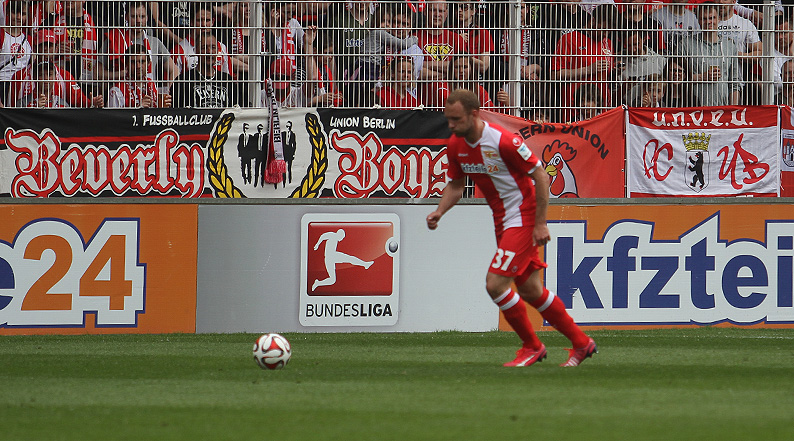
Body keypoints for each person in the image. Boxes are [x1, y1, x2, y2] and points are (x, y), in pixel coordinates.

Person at [426, 89, 597, 368]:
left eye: (456, 119)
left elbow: (541, 175)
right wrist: (439, 211)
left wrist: (540, 223)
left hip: (522, 216)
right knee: (530, 290)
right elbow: (456, 185)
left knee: (495, 284)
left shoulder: (503, 140)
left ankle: (532, 346)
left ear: (474, 114)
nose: (451, 125)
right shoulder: (455, 145)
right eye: (448, 119)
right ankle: (581, 342)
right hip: (502, 220)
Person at [96, 1, 178, 97]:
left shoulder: (155, 42)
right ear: (126, 17)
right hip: (122, 100)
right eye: (134, 16)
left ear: (147, 18)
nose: (138, 20)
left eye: (142, 16)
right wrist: (120, 74)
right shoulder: (115, 39)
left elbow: (174, 70)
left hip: (150, 100)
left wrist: (165, 92)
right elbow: (97, 73)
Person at [552, 4, 617, 122]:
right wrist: (587, 70)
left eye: (609, 31)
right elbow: (555, 75)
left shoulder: (608, 43)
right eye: (603, 29)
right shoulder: (569, 39)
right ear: (593, 21)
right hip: (574, 111)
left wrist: (615, 71)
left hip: (601, 112)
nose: (605, 34)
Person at [7, 28, 103, 107]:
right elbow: (10, 112)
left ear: (56, 49)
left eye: (49, 46)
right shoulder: (18, 77)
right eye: (41, 45)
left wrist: (93, 103)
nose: (45, 49)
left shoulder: (65, 76)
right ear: (34, 48)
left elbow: (81, 102)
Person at [676, 2, 741, 106]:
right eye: (704, 19)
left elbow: (734, 83)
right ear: (698, 20)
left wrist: (733, 109)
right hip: (693, 109)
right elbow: (676, 77)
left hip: (722, 110)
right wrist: (702, 77)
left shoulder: (729, 46)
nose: (708, 22)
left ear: (719, 19)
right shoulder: (685, 44)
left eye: (712, 18)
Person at [171, 32, 246, 108]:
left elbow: (239, 109)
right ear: (196, 51)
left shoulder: (227, 80)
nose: (209, 52)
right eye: (204, 48)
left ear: (217, 51)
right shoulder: (183, 81)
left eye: (213, 47)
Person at [415, 0, 466, 108]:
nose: (437, 14)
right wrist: (448, 70)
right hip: (422, 104)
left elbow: (463, 69)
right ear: (425, 12)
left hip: (453, 103)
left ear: (446, 13)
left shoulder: (457, 39)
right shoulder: (414, 38)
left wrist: (424, 64)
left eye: (441, 11)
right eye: (433, 10)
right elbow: (414, 72)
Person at [106, 43, 172, 108]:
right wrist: (138, 109)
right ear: (126, 64)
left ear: (148, 63)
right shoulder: (117, 90)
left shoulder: (152, 84)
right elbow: (112, 115)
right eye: (133, 62)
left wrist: (163, 109)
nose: (138, 66)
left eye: (142, 61)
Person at [0, 0, 32, 104]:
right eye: (15, 12)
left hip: (22, 86)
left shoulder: (29, 39)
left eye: (23, 14)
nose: (18, 17)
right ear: (8, 13)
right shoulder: (1, 35)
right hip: (3, 83)